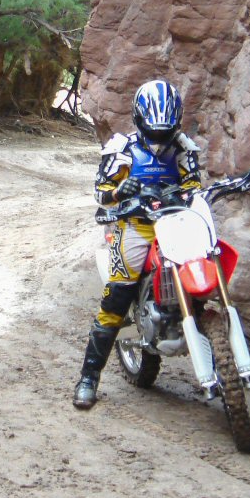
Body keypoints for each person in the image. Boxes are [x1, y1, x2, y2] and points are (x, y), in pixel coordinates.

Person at [73, 79, 203, 409]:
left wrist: (190, 194)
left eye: (167, 129)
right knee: (117, 297)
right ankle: (89, 378)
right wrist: (120, 192)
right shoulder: (123, 149)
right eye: (155, 129)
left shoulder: (184, 148)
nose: (161, 137)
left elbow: (193, 184)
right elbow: (101, 193)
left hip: (176, 224)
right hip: (137, 227)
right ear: (140, 119)